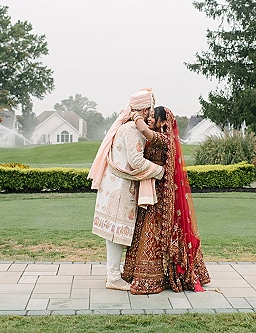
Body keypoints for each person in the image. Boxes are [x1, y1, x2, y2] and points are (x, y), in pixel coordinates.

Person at [122, 106, 210, 295]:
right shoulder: (153, 137)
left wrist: (134, 114)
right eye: (150, 115)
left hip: (160, 194)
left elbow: (144, 130)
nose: (150, 119)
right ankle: (137, 271)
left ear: (163, 122)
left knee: (152, 229)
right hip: (149, 189)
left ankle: (153, 276)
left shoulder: (164, 138)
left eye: (154, 116)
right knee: (144, 227)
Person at [88, 88, 165, 291]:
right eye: (150, 108)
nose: (152, 112)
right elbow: (136, 161)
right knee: (115, 232)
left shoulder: (124, 127)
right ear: (144, 109)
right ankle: (113, 277)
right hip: (120, 189)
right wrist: (161, 171)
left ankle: (113, 274)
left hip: (114, 185)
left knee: (114, 232)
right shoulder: (132, 129)